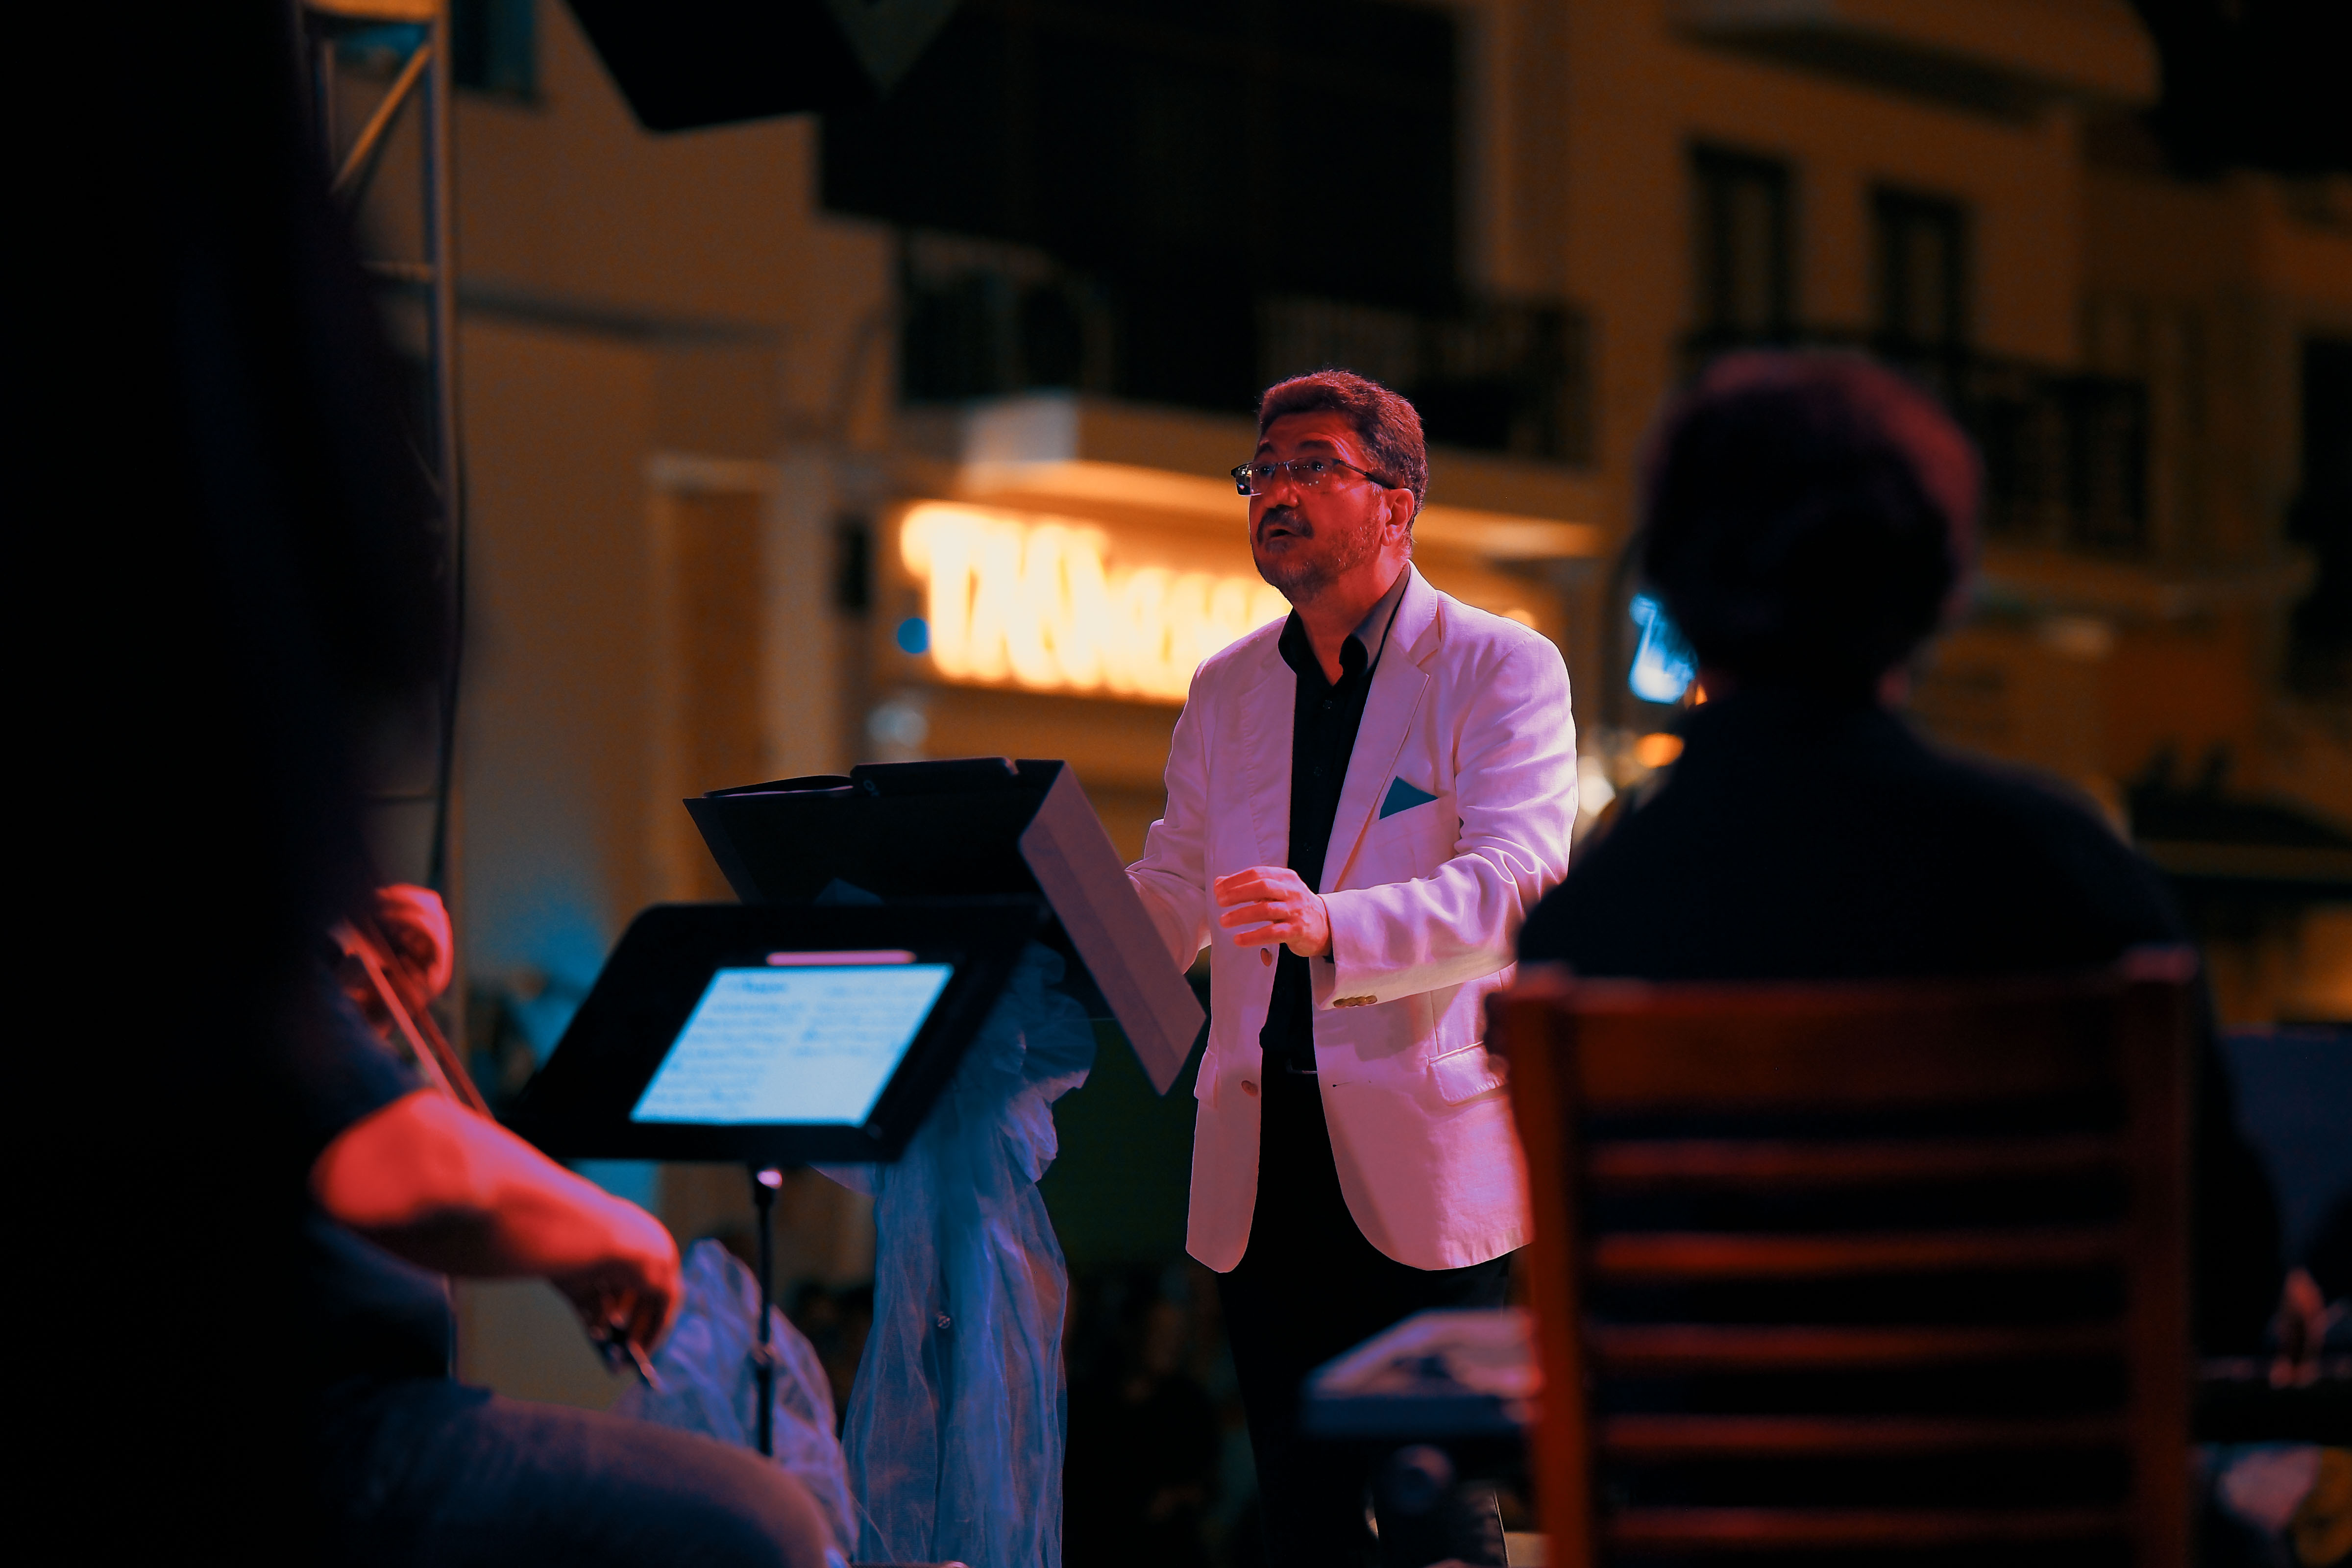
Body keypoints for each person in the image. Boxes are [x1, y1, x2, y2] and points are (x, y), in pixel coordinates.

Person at [1517, 349, 2282, 1353]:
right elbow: (2226, 1286)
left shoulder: (1585, 932)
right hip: (2021, 1453)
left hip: (1720, 1454)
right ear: (1935, 592)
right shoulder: (2070, 877)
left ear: (1674, 588)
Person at [1127, 370, 1578, 1564]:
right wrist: (1062, 938)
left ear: (1397, 502)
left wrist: (1334, 923)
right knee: (1302, 1513)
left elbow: (1520, 882)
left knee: (1437, 1506)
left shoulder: (1499, 665)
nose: (1276, 491)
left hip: (1423, 1146)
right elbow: (1176, 881)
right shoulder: (1227, 685)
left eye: (1313, 466)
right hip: (1261, 1151)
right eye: (1263, 470)